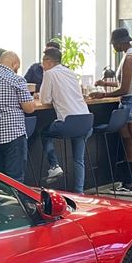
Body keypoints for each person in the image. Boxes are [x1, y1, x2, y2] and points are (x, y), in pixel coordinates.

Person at [91, 28, 132, 197]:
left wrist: (103, 94)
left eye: (114, 44)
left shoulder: (130, 58)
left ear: (120, 42)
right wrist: (105, 84)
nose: (113, 47)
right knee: (128, 142)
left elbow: (125, 89)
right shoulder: (128, 56)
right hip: (128, 102)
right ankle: (128, 183)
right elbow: (125, 83)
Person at [38, 46, 91, 193]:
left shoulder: (49, 73)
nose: (42, 65)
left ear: (49, 61)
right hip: (86, 121)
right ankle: (79, 192)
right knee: (78, 159)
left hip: (69, 123)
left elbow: (44, 99)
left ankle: (54, 165)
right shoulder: (70, 73)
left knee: (44, 132)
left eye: (43, 61)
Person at [0, 50, 35, 182]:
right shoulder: (16, 79)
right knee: (15, 179)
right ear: (14, 64)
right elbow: (29, 108)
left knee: (1, 179)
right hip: (13, 134)